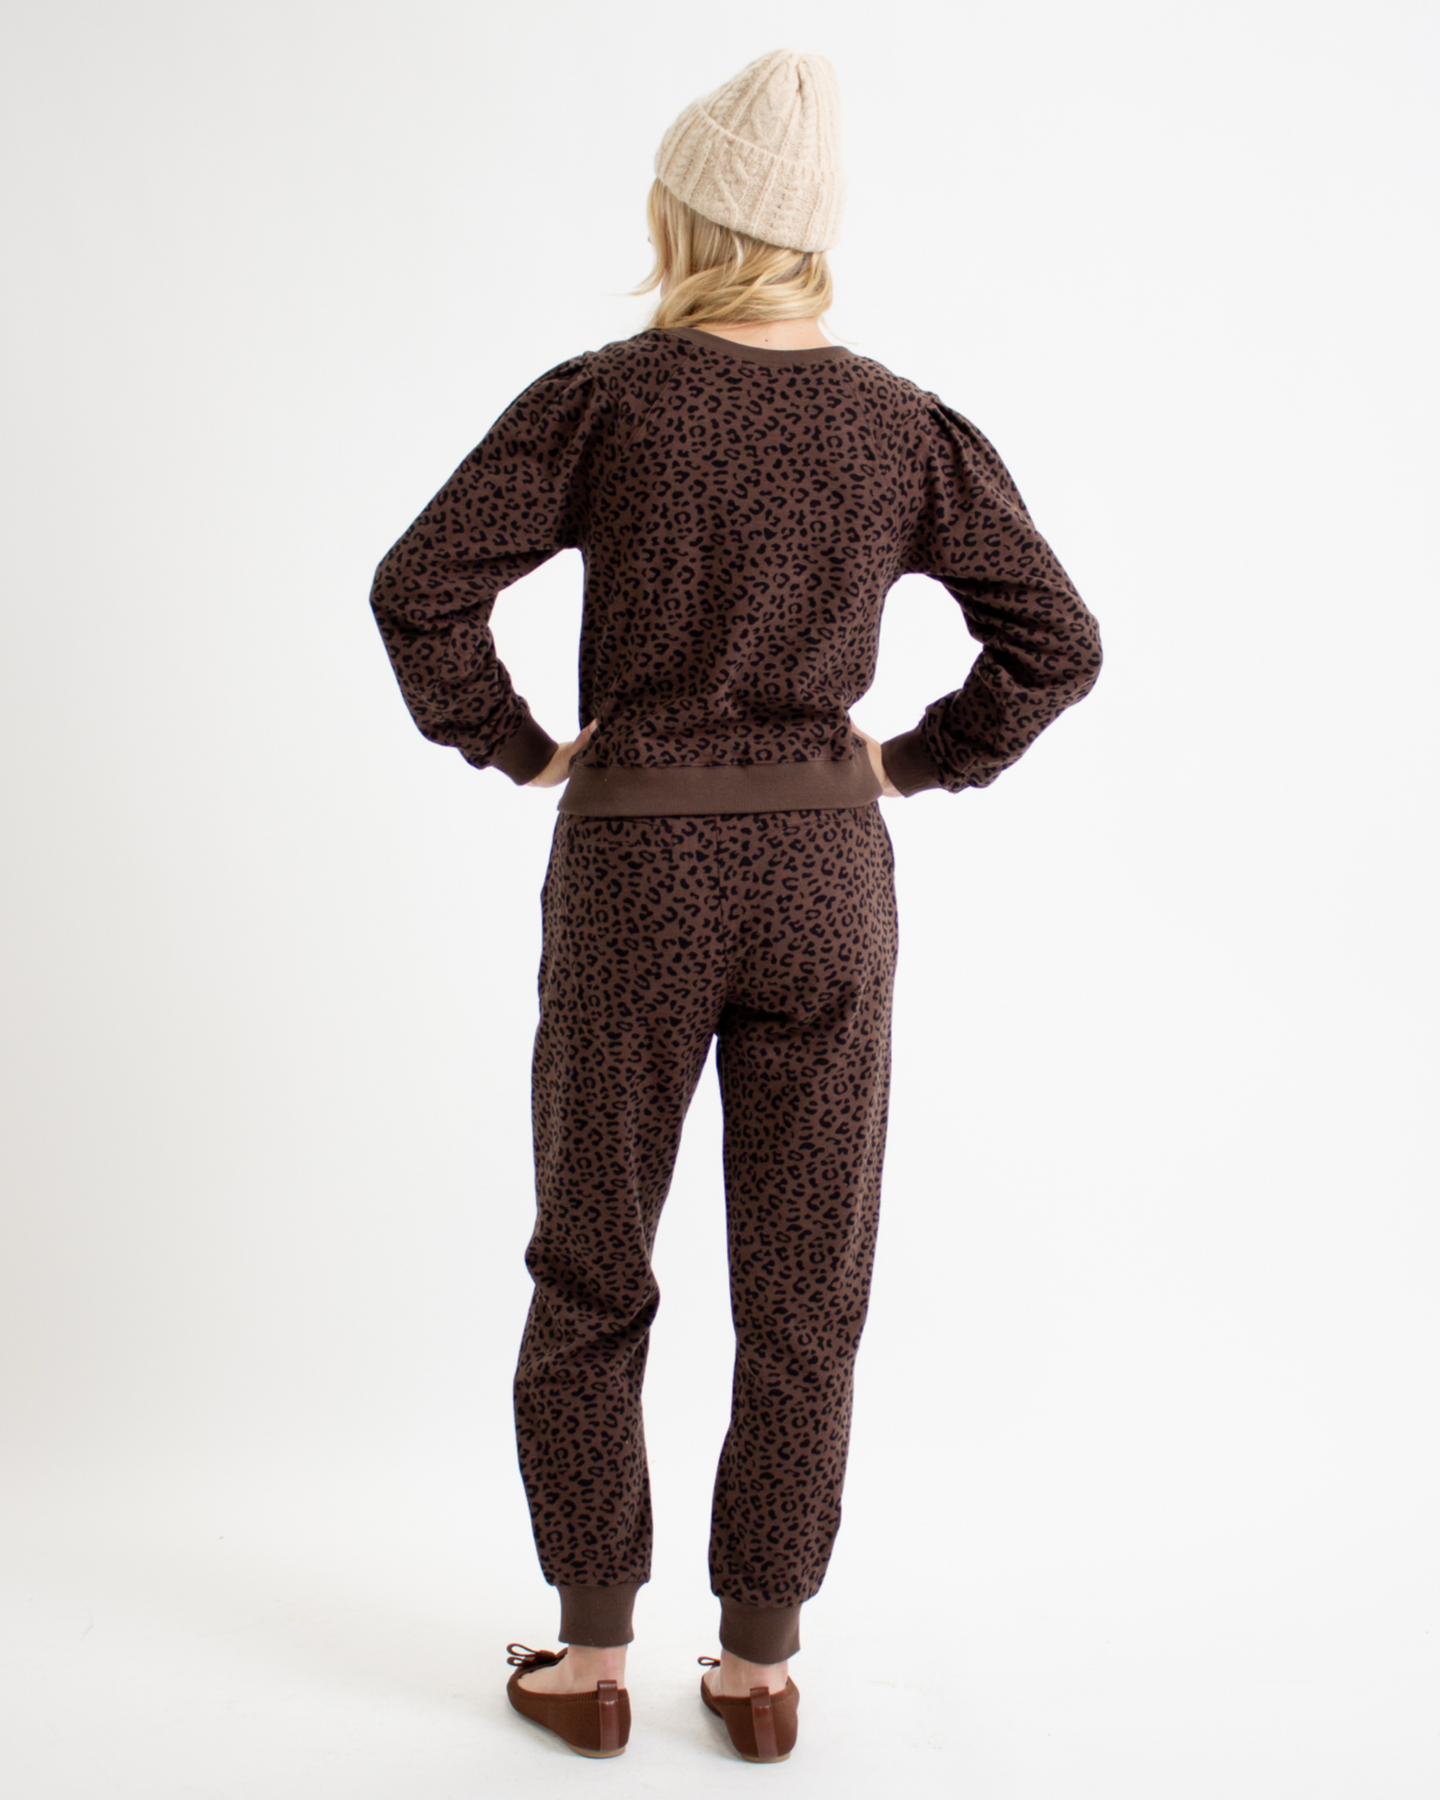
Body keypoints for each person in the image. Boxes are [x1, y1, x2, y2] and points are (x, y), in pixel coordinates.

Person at [369, 45, 1103, 1764]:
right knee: (806, 1282)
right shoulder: (901, 424)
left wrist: (520, 747)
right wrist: (912, 762)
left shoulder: (606, 401)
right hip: (824, 885)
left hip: (636, 872)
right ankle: (762, 1667)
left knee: (591, 1259)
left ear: (684, 215)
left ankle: (589, 1659)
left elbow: (419, 587)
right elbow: (1057, 641)